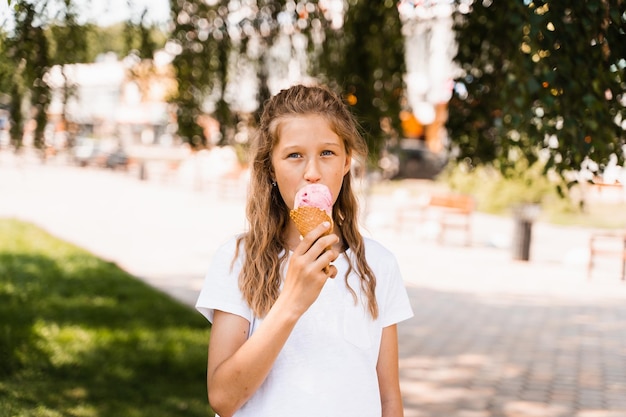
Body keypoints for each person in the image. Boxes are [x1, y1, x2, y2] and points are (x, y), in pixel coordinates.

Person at [195, 84, 414, 417]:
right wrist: (292, 301)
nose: (312, 173)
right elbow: (223, 398)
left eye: (327, 153)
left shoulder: (377, 265)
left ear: (346, 162)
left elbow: (388, 399)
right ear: (270, 167)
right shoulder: (238, 259)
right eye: (294, 155)